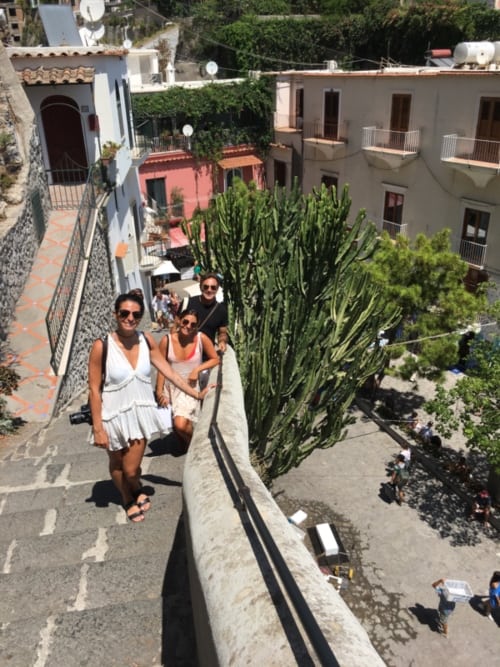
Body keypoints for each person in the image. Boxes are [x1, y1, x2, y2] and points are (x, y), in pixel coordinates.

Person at [88, 293, 212, 523]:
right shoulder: (101, 346)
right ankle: (127, 497)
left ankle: (134, 485)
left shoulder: (146, 340)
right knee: (117, 463)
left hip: (139, 415)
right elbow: (94, 390)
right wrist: (97, 427)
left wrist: (196, 394)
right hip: (111, 415)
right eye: (124, 313)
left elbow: (170, 372)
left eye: (136, 314)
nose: (130, 318)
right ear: (116, 314)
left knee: (132, 469)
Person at [155, 309, 219, 448]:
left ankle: (195, 448)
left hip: (190, 387)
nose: (188, 326)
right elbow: (161, 367)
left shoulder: (201, 338)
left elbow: (215, 359)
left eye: (193, 324)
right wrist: (159, 391)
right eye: (185, 321)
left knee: (180, 424)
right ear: (179, 320)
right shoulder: (167, 341)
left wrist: (197, 369)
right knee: (178, 429)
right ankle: (188, 445)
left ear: (197, 326)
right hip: (170, 388)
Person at [186, 272, 228, 352]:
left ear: (217, 289)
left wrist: (222, 341)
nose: (209, 290)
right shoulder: (188, 303)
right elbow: (175, 327)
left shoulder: (221, 310)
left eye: (213, 287)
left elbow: (222, 333)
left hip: (207, 355)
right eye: (206, 287)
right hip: (185, 352)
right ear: (200, 287)